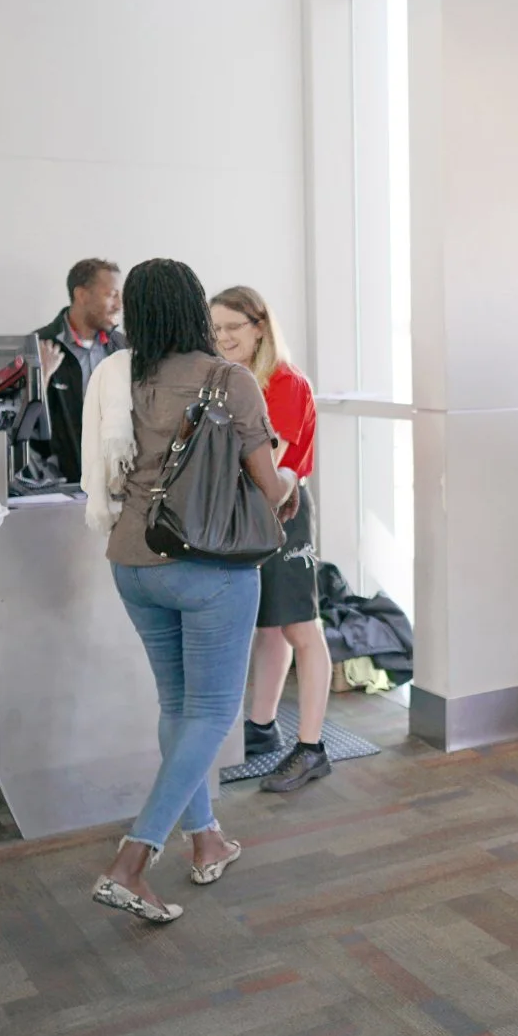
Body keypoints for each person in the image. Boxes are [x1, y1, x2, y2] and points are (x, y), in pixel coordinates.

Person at [86, 259, 298, 924]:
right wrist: (289, 489)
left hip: (132, 561)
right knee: (211, 712)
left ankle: (206, 840)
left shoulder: (123, 377)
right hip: (209, 566)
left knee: (179, 706)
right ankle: (132, 860)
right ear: (194, 311)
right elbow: (269, 483)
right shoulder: (229, 381)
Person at [211, 286, 333, 793]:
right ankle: (261, 728)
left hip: (283, 513)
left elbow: (272, 470)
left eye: (233, 328)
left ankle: (311, 748)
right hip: (246, 516)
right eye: (215, 330)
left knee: (301, 628)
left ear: (259, 326)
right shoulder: (233, 381)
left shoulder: (285, 383)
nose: (222, 339)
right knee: (269, 627)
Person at [34, 258, 126, 483]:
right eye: (111, 294)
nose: (119, 304)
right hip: (61, 488)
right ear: (82, 295)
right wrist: (39, 378)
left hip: (117, 485)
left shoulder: (124, 348)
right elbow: (20, 428)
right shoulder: (38, 347)